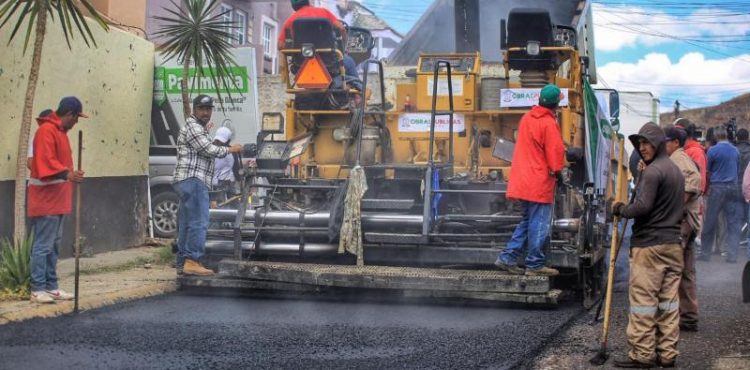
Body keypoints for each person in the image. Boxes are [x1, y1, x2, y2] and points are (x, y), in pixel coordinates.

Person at [611, 122, 685, 368]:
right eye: (639, 143)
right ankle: (667, 354)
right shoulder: (673, 170)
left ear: (659, 144)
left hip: (650, 248)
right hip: (673, 246)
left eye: (646, 143)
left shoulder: (653, 172)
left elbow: (642, 206)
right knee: (669, 304)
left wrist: (621, 209)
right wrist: (643, 174)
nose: (642, 147)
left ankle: (643, 355)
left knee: (644, 304)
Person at [493, 84, 565, 277]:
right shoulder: (549, 124)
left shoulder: (527, 118)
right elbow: (555, 153)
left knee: (527, 221)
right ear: (556, 103)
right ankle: (534, 264)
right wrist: (559, 173)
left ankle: (507, 258)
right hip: (538, 181)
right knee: (539, 223)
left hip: (521, 179)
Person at [173, 95, 242, 276]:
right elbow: (208, 149)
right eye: (202, 109)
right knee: (199, 222)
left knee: (187, 223)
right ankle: (193, 260)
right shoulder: (194, 127)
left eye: (208, 109)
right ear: (194, 109)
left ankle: (182, 262)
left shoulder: (197, 127)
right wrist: (231, 149)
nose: (205, 112)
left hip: (188, 181)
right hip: (194, 180)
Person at [27, 97, 87, 304]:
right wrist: (68, 174)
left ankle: (51, 286)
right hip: (46, 198)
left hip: (58, 197)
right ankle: (37, 288)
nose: (76, 123)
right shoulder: (46, 131)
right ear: (69, 114)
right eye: (77, 118)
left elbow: (60, 163)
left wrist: (71, 173)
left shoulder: (60, 133)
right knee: (43, 245)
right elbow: (46, 162)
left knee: (54, 245)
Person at [663, 125, 702, 332]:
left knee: (672, 271)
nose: (663, 144)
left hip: (682, 223)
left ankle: (673, 319)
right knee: (685, 271)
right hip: (687, 222)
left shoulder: (679, 160)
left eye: (666, 141)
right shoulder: (677, 159)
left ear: (675, 142)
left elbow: (690, 187)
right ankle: (688, 317)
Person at [278, 0, 362, 92]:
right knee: (348, 61)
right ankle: (358, 93)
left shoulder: (290, 20)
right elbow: (341, 28)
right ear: (308, 2)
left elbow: (280, 46)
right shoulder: (323, 12)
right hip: (330, 63)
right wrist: (343, 46)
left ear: (293, 6)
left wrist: (296, 48)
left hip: (301, 65)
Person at [699, 127, 741, 263]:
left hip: (717, 188)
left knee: (710, 221)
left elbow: (708, 170)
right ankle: (732, 255)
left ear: (716, 136)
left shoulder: (712, 150)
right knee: (732, 222)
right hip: (733, 188)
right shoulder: (735, 150)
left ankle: (705, 253)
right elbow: (738, 168)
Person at [210, 127, 240, 208]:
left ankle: (235, 220)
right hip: (217, 185)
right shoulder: (211, 150)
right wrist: (212, 198)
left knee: (235, 207)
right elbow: (210, 174)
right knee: (220, 209)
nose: (219, 142)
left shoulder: (232, 151)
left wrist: (242, 185)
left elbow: (236, 168)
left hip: (230, 182)